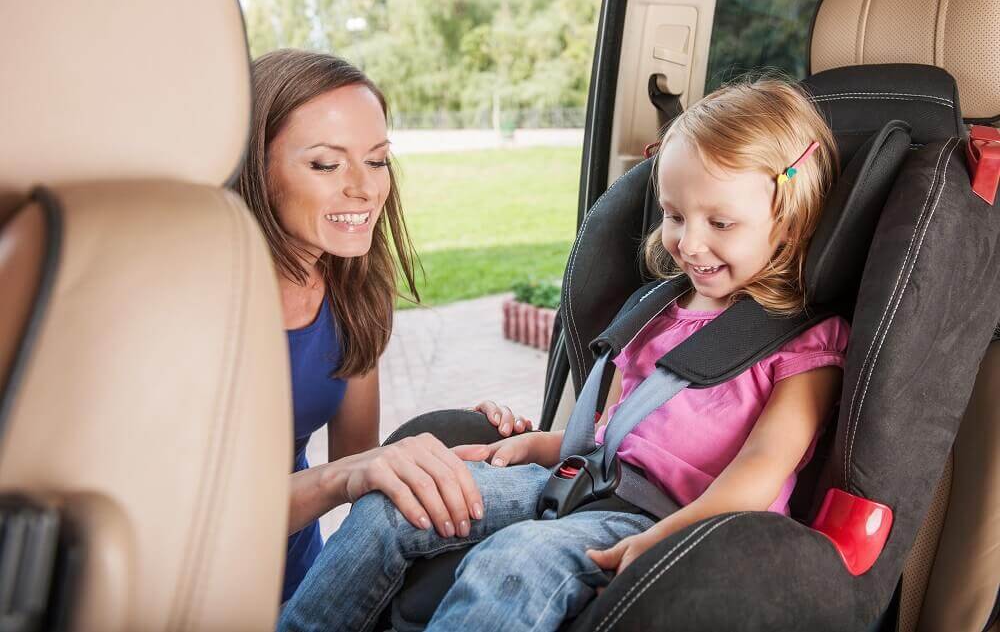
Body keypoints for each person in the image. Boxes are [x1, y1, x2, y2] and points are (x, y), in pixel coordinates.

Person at [277, 77, 850, 631]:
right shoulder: (659, 312)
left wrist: (664, 539)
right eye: (674, 216)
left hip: (671, 520)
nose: (688, 243)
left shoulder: (801, 348)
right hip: (588, 480)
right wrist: (536, 446)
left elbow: (759, 472)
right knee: (391, 507)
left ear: (789, 217)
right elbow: (615, 436)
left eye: (720, 222)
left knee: (514, 560)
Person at [236, 49, 534, 603]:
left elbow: (357, 467)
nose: (366, 188)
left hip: (295, 581)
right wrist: (348, 474)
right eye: (327, 164)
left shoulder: (352, 293)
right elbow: (193, 518)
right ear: (254, 167)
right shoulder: (194, 307)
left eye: (376, 160)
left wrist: (454, 440)